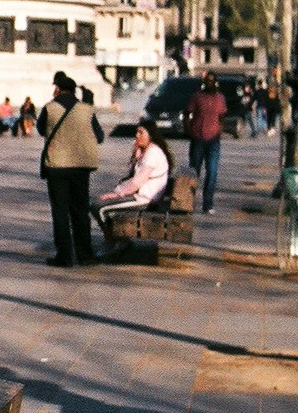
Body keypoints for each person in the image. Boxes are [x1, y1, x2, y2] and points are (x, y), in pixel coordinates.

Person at [37, 73, 103, 267]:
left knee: (60, 211)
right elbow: (99, 136)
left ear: (57, 88)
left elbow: (41, 130)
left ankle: (64, 256)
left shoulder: (50, 108)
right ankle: (85, 254)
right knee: (80, 211)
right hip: (81, 167)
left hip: (57, 167)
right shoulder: (86, 110)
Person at [93, 120, 173, 248]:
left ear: (150, 135)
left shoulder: (152, 154)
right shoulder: (148, 151)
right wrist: (136, 156)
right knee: (97, 204)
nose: (137, 135)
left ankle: (113, 242)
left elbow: (136, 183)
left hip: (145, 199)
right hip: (143, 196)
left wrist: (116, 194)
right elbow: (133, 177)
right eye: (137, 132)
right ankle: (117, 240)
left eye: (141, 132)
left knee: (99, 207)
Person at [186, 73, 227, 213]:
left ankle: (208, 204)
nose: (210, 84)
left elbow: (222, 116)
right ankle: (188, 202)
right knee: (194, 171)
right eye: (207, 81)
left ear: (216, 82)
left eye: (212, 81)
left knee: (212, 172)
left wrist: (219, 130)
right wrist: (189, 131)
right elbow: (187, 113)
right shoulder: (197, 97)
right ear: (204, 82)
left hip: (213, 140)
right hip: (198, 138)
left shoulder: (220, 98)